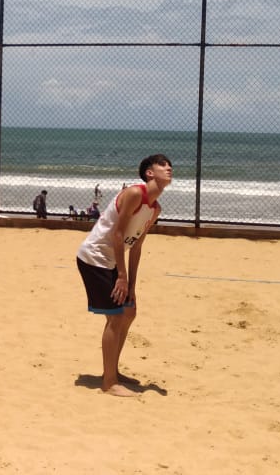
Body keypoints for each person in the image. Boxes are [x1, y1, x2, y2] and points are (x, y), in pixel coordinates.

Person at [76, 154, 173, 396]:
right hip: (95, 257)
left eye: (170, 165)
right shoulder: (135, 193)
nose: (169, 168)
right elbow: (117, 234)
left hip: (112, 261)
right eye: (162, 165)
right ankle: (109, 383)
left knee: (129, 311)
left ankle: (113, 372)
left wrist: (131, 285)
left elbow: (136, 246)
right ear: (149, 173)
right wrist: (121, 275)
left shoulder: (155, 209)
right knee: (116, 317)